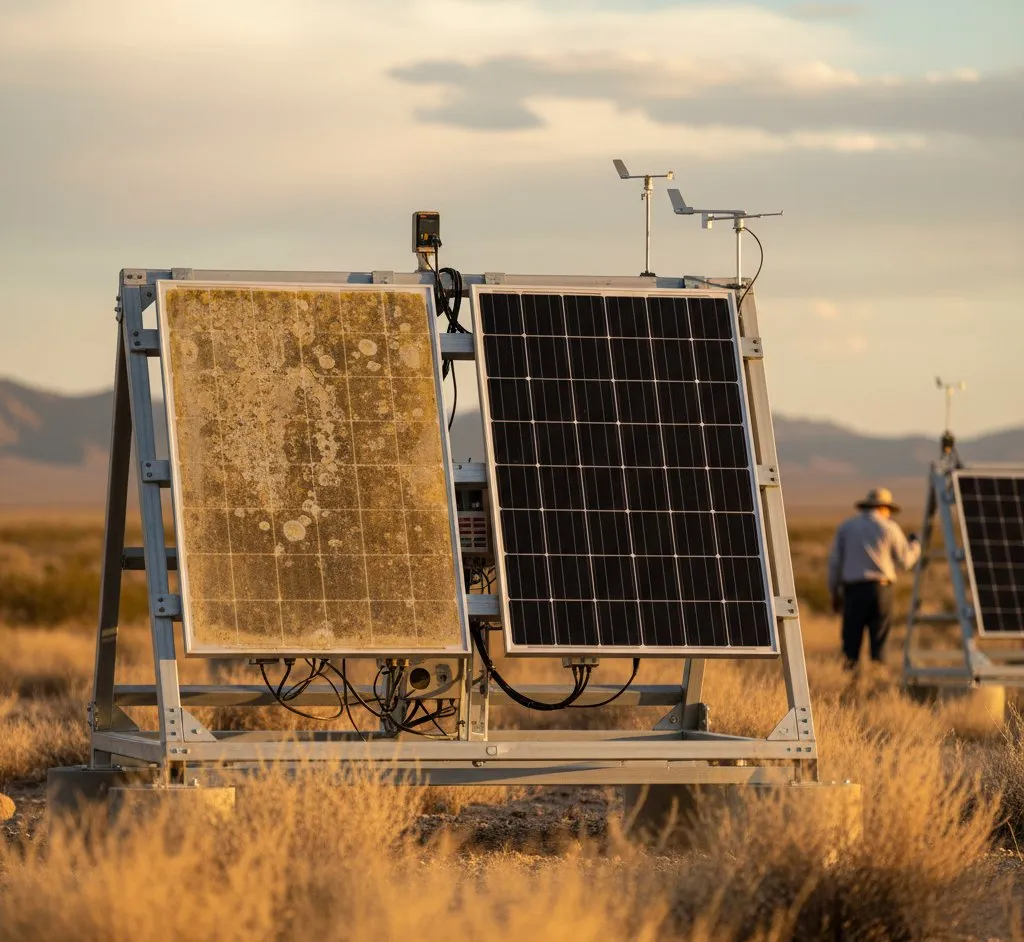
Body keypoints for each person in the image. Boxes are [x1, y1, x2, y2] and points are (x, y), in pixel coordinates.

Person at [827, 487, 921, 672]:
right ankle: (877, 683)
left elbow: (834, 563)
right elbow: (906, 561)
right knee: (879, 643)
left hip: (853, 591)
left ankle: (850, 682)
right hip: (881, 590)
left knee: (851, 643)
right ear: (884, 508)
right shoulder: (889, 528)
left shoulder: (847, 527)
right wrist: (916, 544)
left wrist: (834, 593)